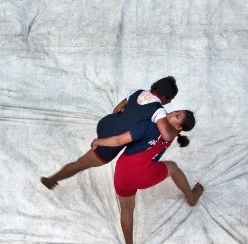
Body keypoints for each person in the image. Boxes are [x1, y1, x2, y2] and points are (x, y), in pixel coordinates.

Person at [89, 109, 203, 244]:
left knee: (127, 211)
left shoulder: (149, 127)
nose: (172, 112)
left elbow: (117, 141)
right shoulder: (171, 134)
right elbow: (168, 134)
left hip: (123, 173)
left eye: (177, 115)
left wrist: (97, 141)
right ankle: (191, 198)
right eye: (177, 111)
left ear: (179, 127)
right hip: (143, 175)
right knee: (173, 168)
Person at [42, 78, 179, 189]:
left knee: (81, 162)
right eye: (171, 99)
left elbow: (118, 108)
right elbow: (166, 136)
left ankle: (53, 179)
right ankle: (51, 180)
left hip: (106, 124)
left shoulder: (137, 92)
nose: (171, 102)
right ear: (164, 97)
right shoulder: (158, 110)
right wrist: (178, 130)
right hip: (110, 142)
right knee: (80, 164)